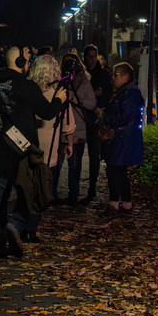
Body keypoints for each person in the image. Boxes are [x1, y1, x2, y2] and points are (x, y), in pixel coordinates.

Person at [0, 46, 66, 257]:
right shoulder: (26, 86)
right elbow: (46, 113)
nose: (29, 63)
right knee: (28, 194)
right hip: (20, 151)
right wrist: (59, 100)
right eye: (27, 59)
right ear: (20, 63)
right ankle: (15, 225)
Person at [100, 62, 145, 212]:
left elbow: (124, 116)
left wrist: (105, 117)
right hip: (122, 137)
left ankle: (118, 201)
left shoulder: (130, 93)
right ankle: (124, 202)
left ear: (125, 76)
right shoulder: (127, 92)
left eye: (116, 75)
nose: (113, 78)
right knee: (118, 170)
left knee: (115, 169)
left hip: (122, 138)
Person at [31, 54, 73, 210]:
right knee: (47, 184)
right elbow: (68, 124)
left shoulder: (31, 93)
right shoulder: (59, 96)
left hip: (32, 150)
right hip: (50, 153)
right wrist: (70, 144)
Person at [54, 53, 96, 206]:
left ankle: (73, 194)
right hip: (60, 130)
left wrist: (79, 100)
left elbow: (92, 104)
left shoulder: (84, 82)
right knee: (56, 164)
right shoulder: (60, 82)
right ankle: (52, 193)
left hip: (77, 130)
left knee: (74, 164)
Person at [80, 45, 111, 206]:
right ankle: (75, 188)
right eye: (90, 56)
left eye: (94, 56)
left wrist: (100, 96)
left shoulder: (103, 74)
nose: (92, 59)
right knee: (78, 154)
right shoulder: (81, 74)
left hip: (95, 118)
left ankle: (92, 189)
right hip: (81, 117)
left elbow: (108, 94)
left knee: (94, 154)